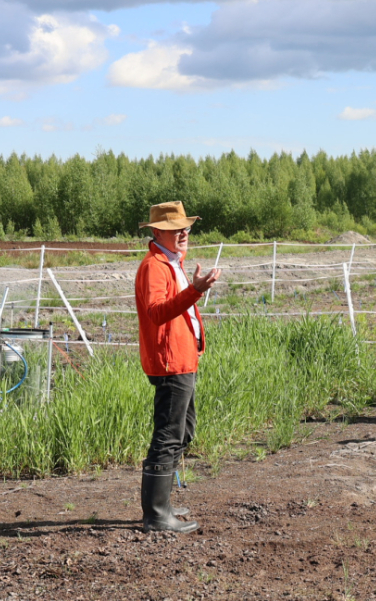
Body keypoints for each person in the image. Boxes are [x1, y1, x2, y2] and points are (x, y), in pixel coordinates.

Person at [135, 201, 220, 533]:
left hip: (183, 360)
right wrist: (196, 291)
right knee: (169, 436)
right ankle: (156, 514)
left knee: (182, 432)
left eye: (185, 227)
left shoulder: (171, 262)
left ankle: (163, 504)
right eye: (174, 229)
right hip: (170, 363)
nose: (183, 233)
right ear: (158, 233)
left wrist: (193, 289)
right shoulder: (154, 267)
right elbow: (157, 312)